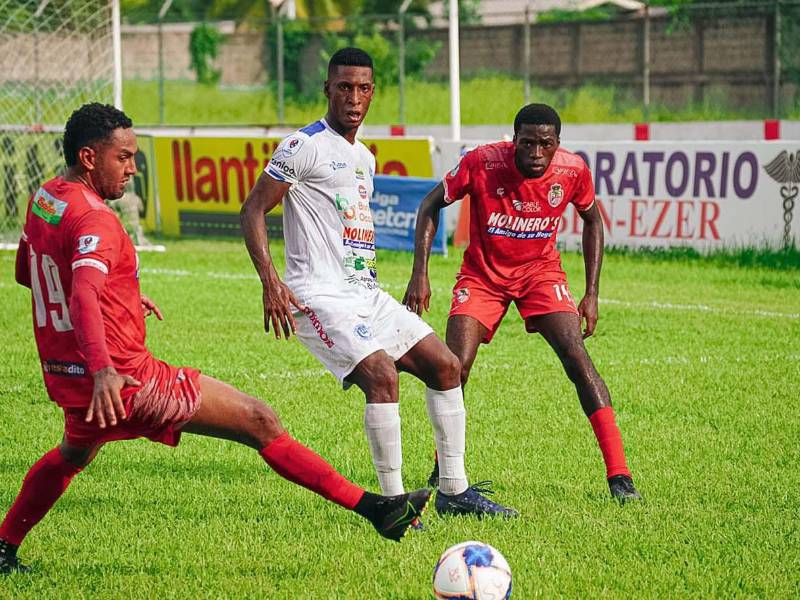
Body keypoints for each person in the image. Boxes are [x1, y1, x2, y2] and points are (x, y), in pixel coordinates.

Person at [0, 104, 431, 576]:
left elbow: (29, 273)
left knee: (72, 454)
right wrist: (105, 367)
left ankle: (3, 546)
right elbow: (82, 291)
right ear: (88, 157)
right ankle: (378, 510)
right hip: (124, 381)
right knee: (259, 420)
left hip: (70, 379)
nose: (133, 168)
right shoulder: (96, 219)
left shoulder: (46, 199)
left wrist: (120, 296)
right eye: (123, 157)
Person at [240, 47, 516, 519]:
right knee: (382, 377)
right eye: (344, 87)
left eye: (363, 89)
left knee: (446, 366)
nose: (354, 98)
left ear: (372, 93)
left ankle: (453, 490)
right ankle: (394, 503)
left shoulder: (364, 157)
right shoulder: (302, 145)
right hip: (318, 296)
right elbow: (252, 210)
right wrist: (270, 281)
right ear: (327, 89)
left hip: (366, 294)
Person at [404, 103, 642, 503]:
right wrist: (420, 274)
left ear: (557, 144)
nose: (536, 152)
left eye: (545, 144)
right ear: (513, 140)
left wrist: (592, 293)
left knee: (577, 359)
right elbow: (430, 203)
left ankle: (620, 476)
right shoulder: (482, 162)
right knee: (454, 368)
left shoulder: (573, 170)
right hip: (482, 277)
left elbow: (593, 220)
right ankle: (445, 469)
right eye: (527, 143)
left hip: (540, 275)